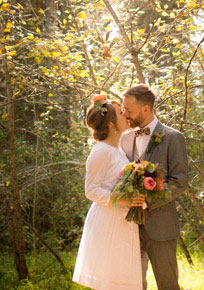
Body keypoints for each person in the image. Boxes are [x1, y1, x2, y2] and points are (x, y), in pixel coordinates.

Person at [120, 84, 189, 290]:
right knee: (132, 284)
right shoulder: (124, 139)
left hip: (161, 226)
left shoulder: (172, 137)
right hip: (128, 228)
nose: (125, 115)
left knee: (167, 284)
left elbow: (179, 182)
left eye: (129, 110)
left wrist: (146, 202)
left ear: (146, 109)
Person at [73, 96, 145, 290]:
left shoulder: (119, 151)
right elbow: (91, 190)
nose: (126, 114)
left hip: (123, 221)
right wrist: (120, 198)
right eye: (121, 113)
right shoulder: (101, 151)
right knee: (111, 281)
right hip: (107, 222)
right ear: (112, 123)